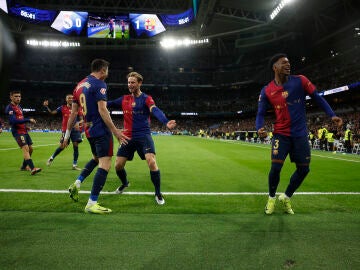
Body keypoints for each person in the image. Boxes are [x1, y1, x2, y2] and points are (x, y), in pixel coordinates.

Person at [255, 53, 342, 215]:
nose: (288, 65)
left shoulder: (300, 80)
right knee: (275, 168)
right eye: (283, 63)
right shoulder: (267, 90)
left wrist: (332, 115)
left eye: (288, 63)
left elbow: (317, 98)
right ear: (275, 67)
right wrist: (259, 127)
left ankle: (286, 196)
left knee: (304, 170)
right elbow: (260, 113)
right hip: (281, 134)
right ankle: (272, 198)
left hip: (300, 134)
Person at [63, 59, 129, 214]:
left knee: (96, 158)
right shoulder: (100, 84)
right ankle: (92, 203)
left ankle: (77, 183)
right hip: (101, 130)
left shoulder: (78, 86)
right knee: (105, 165)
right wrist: (115, 131)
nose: (107, 74)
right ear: (103, 70)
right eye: (107, 71)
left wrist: (66, 136)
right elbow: (102, 110)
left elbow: (73, 113)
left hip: (89, 131)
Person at [107, 71, 176, 205]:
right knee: (118, 165)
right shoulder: (124, 99)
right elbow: (106, 104)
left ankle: (158, 193)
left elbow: (154, 109)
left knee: (151, 162)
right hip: (127, 137)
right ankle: (125, 183)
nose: (130, 85)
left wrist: (165, 121)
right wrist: (94, 101)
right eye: (128, 82)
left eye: (133, 82)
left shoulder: (146, 98)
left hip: (143, 135)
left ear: (139, 83)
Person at [5, 90, 42, 175]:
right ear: (11, 97)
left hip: (24, 131)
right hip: (17, 132)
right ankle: (33, 168)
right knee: (26, 149)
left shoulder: (19, 107)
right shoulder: (10, 107)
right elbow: (13, 121)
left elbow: (19, 119)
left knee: (31, 149)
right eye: (16, 96)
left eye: (19, 96)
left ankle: (24, 166)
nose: (18, 98)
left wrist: (25, 126)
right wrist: (28, 119)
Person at [43, 95, 83, 170]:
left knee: (76, 146)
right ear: (66, 99)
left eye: (72, 98)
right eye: (69, 98)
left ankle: (74, 165)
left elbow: (82, 119)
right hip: (65, 130)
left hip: (75, 130)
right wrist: (46, 107)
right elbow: (52, 112)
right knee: (62, 146)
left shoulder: (77, 108)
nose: (71, 99)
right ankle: (51, 158)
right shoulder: (62, 107)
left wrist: (79, 123)